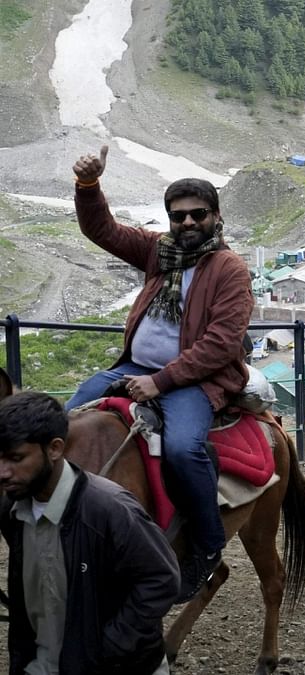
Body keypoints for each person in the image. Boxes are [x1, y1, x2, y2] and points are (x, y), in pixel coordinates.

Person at [66, 145, 251, 602]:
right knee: (64, 423)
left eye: (197, 214)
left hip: (192, 380)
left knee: (186, 450)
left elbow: (221, 344)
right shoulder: (159, 252)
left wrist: (161, 381)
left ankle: (206, 547)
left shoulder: (230, 269)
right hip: (135, 367)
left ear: (216, 216)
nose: (187, 223)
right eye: (178, 216)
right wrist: (88, 187)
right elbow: (102, 229)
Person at [0, 392, 180, 674]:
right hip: (42, 666)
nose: (3, 472)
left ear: (55, 449)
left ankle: (207, 539)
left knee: (187, 450)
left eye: (15, 458)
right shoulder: (12, 509)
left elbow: (162, 578)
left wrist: (108, 647)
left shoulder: (110, 509)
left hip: (112, 666)